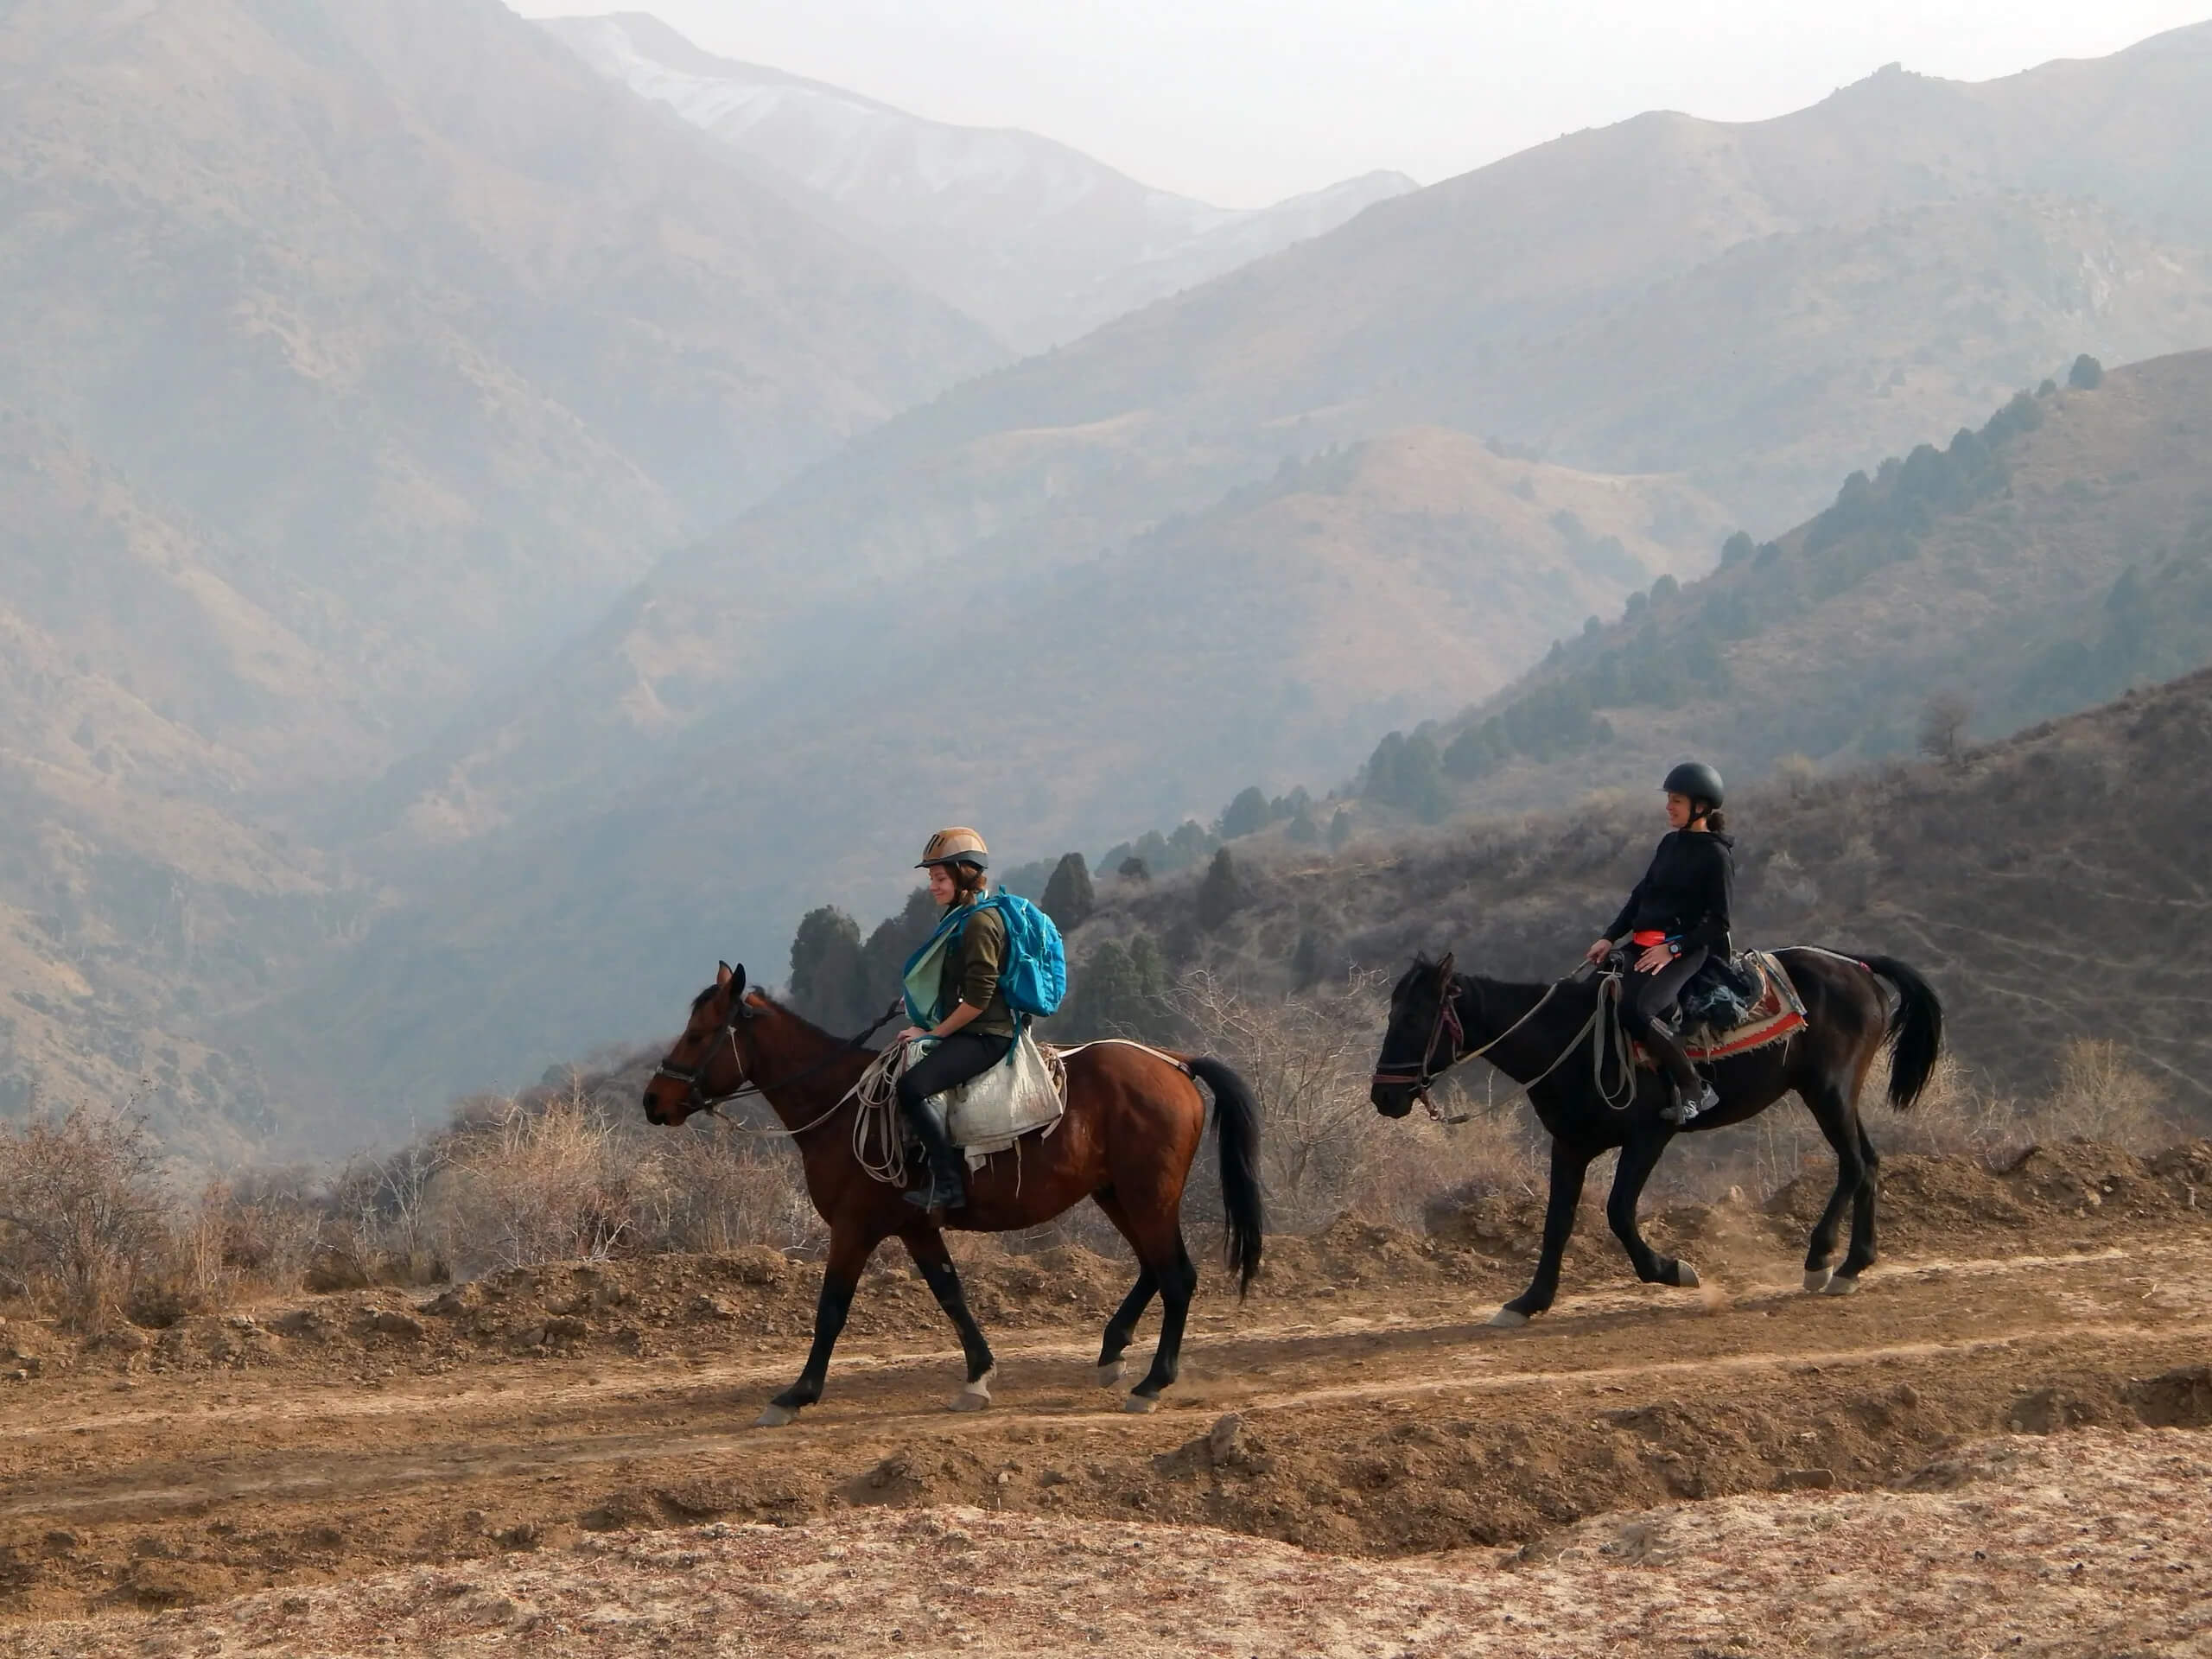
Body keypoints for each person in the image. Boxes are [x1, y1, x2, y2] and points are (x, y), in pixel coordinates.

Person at [1584, 762, 1735, 1125]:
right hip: (1643, 943)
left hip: (1686, 950)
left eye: (1677, 800)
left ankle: (1695, 1089)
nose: (1669, 806)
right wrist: (1609, 936)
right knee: (1590, 992)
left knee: (1640, 1009)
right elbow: (1640, 897)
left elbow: (1719, 921)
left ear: (1700, 806)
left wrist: (1674, 949)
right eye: (1669, 799)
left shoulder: (1716, 856)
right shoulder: (1669, 843)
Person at [893, 828, 1018, 1211]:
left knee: (912, 1089)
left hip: (985, 1035)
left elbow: (978, 1001)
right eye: (932, 878)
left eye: (940, 878)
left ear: (965, 874)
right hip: (970, 1029)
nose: (933, 886)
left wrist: (930, 1035)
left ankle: (948, 1188)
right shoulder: (962, 917)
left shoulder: (980, 923)